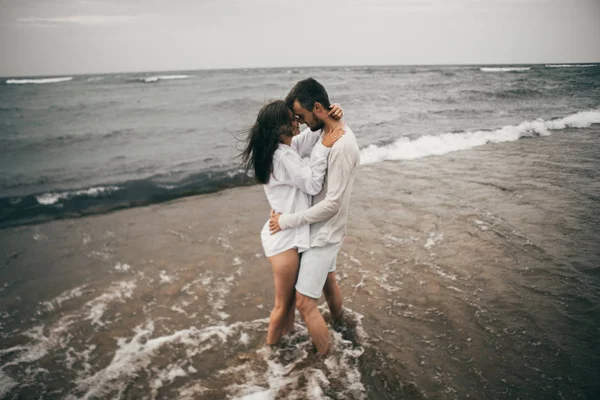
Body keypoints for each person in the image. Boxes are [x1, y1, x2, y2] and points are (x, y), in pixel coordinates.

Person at [241, 99, 345, 346]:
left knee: (288, 303)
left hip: (288, 229)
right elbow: (312, 184)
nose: (297, 120)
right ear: (280, 127)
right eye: (292, 118)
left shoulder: (285, 148)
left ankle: (285, 343)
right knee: (283, 304)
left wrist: (331, 114)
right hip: (285, 237)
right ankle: (270, 352)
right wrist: (324, 149)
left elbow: (310, 136)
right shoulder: (281, 157)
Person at [269, 78, 361, 355]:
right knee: (329, 282)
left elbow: (332, 203)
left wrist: (286, 221)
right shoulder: (325, 131)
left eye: (301, 116)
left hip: (323, 233)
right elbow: (300, 145)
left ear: (318, 108)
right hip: (321, 228)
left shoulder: (342, 145)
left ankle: (327, 360)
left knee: (304, 303)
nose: (299, 122)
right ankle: (341, 324)